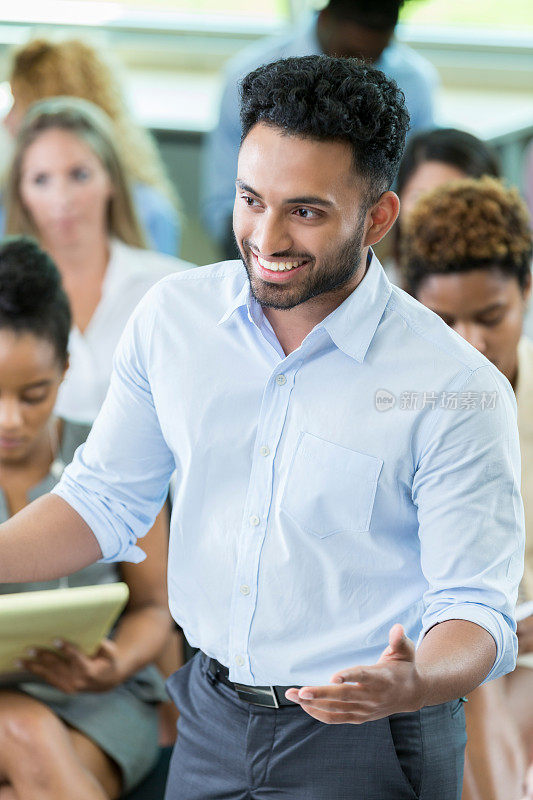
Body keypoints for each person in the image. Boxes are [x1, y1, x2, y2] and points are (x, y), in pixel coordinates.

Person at [0, 55, 524, 800]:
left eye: (305, 211)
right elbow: (102, 500)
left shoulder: (452, 387)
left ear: (376, 217)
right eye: (252, 199)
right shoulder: (174, 321)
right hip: (211, 717)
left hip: (368, 736)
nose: (266, 237)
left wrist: (415, 680)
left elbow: (475, 605)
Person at [0, 236, 172, 799]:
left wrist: (116, 663)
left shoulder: (116, 458)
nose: (11, 420)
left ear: (66, 368)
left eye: (33, 394)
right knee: (23, 726)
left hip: (100, 696)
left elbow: (154, 607)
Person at [398, 175, 533, 800]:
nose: (470, 344)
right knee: (468, 671)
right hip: (446, 644)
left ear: (528, 292)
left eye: (491, 317)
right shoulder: (396, 405)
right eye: (443, 321)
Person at [4, 96, 193, 424]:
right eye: (41, 180)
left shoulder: (174, 289)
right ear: (21, 195)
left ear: (112, 181)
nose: (61, 199)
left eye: (79, 175)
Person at [202, 0, 439, 254]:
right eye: (349, 54)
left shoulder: (415, 84)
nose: (361, 68)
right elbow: (223, 205)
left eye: (375, 58)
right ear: (325, 19)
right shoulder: (249, 77)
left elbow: (423, 185)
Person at [2, 38, 181, 256]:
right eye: (41, 179)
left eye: (17, 102)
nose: (7, 120)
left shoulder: (149, 212)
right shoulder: (12, 203)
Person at [389, 127, 501, 277]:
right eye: (421, 199)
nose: (436, 216)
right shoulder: (380, 287)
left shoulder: (517, 289)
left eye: (456, 200)